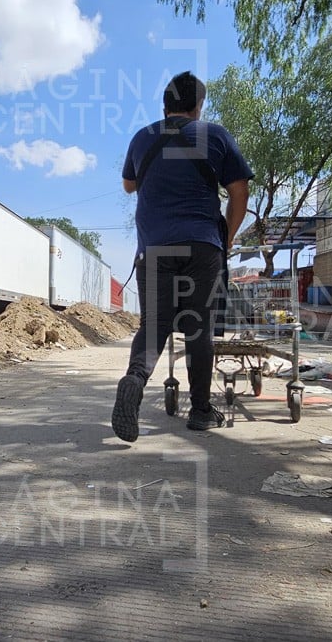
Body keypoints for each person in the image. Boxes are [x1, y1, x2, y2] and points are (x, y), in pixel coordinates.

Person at [111, 71, 252, 442]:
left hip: (155, 247)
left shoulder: (142, 138)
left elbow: (128, 185)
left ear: (164, 105)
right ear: (198, 106)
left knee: (155, 325)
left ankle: (134, 380)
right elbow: (239, 190)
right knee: (198, 327)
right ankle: (201, 411)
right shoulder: (214, 135)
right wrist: (229, 236)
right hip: (202, 244)